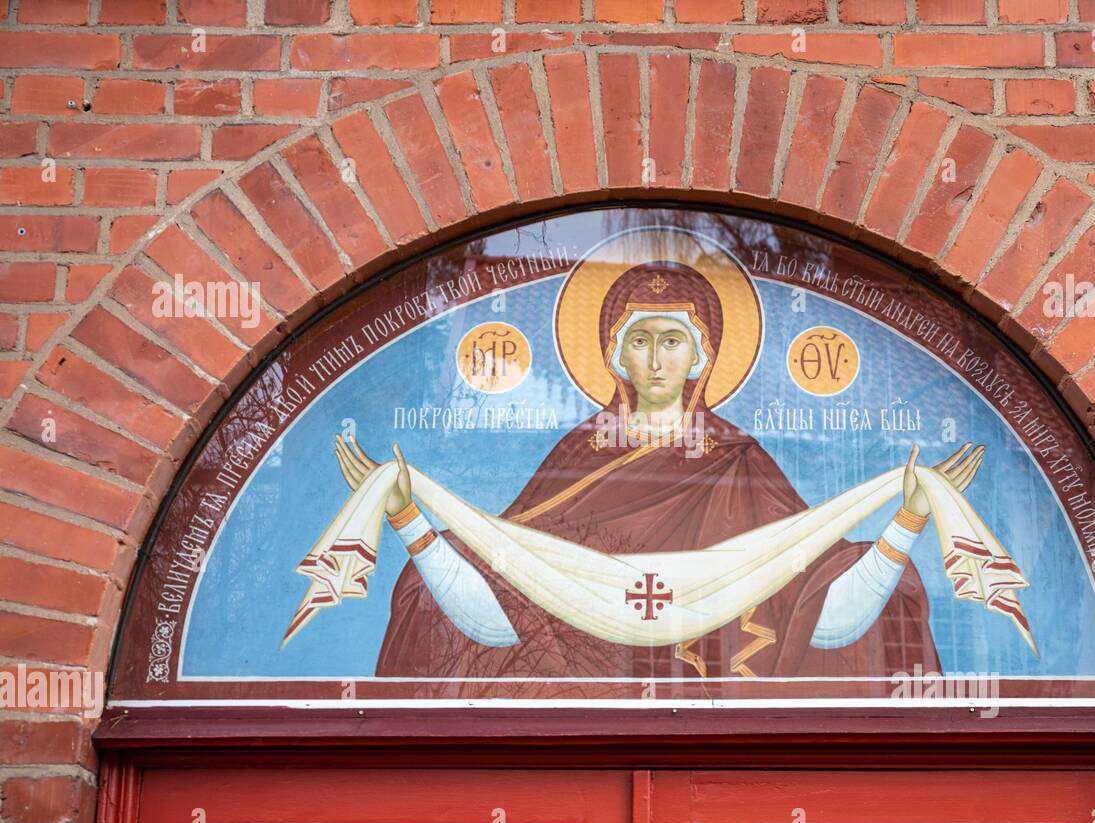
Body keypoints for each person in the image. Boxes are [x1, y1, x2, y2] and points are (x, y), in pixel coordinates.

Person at [333, 261, 984, 697]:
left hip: (713, 670)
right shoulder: (581, 451)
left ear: (701, 353)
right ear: (614, 352)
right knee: (422, 583)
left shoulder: (737, 458)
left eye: (672, 341)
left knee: (895, 581)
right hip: (581, 678)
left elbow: (800, 580)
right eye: (639, 340)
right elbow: (517, 568)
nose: (655, 359)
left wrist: (906, 523)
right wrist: (406, 518)